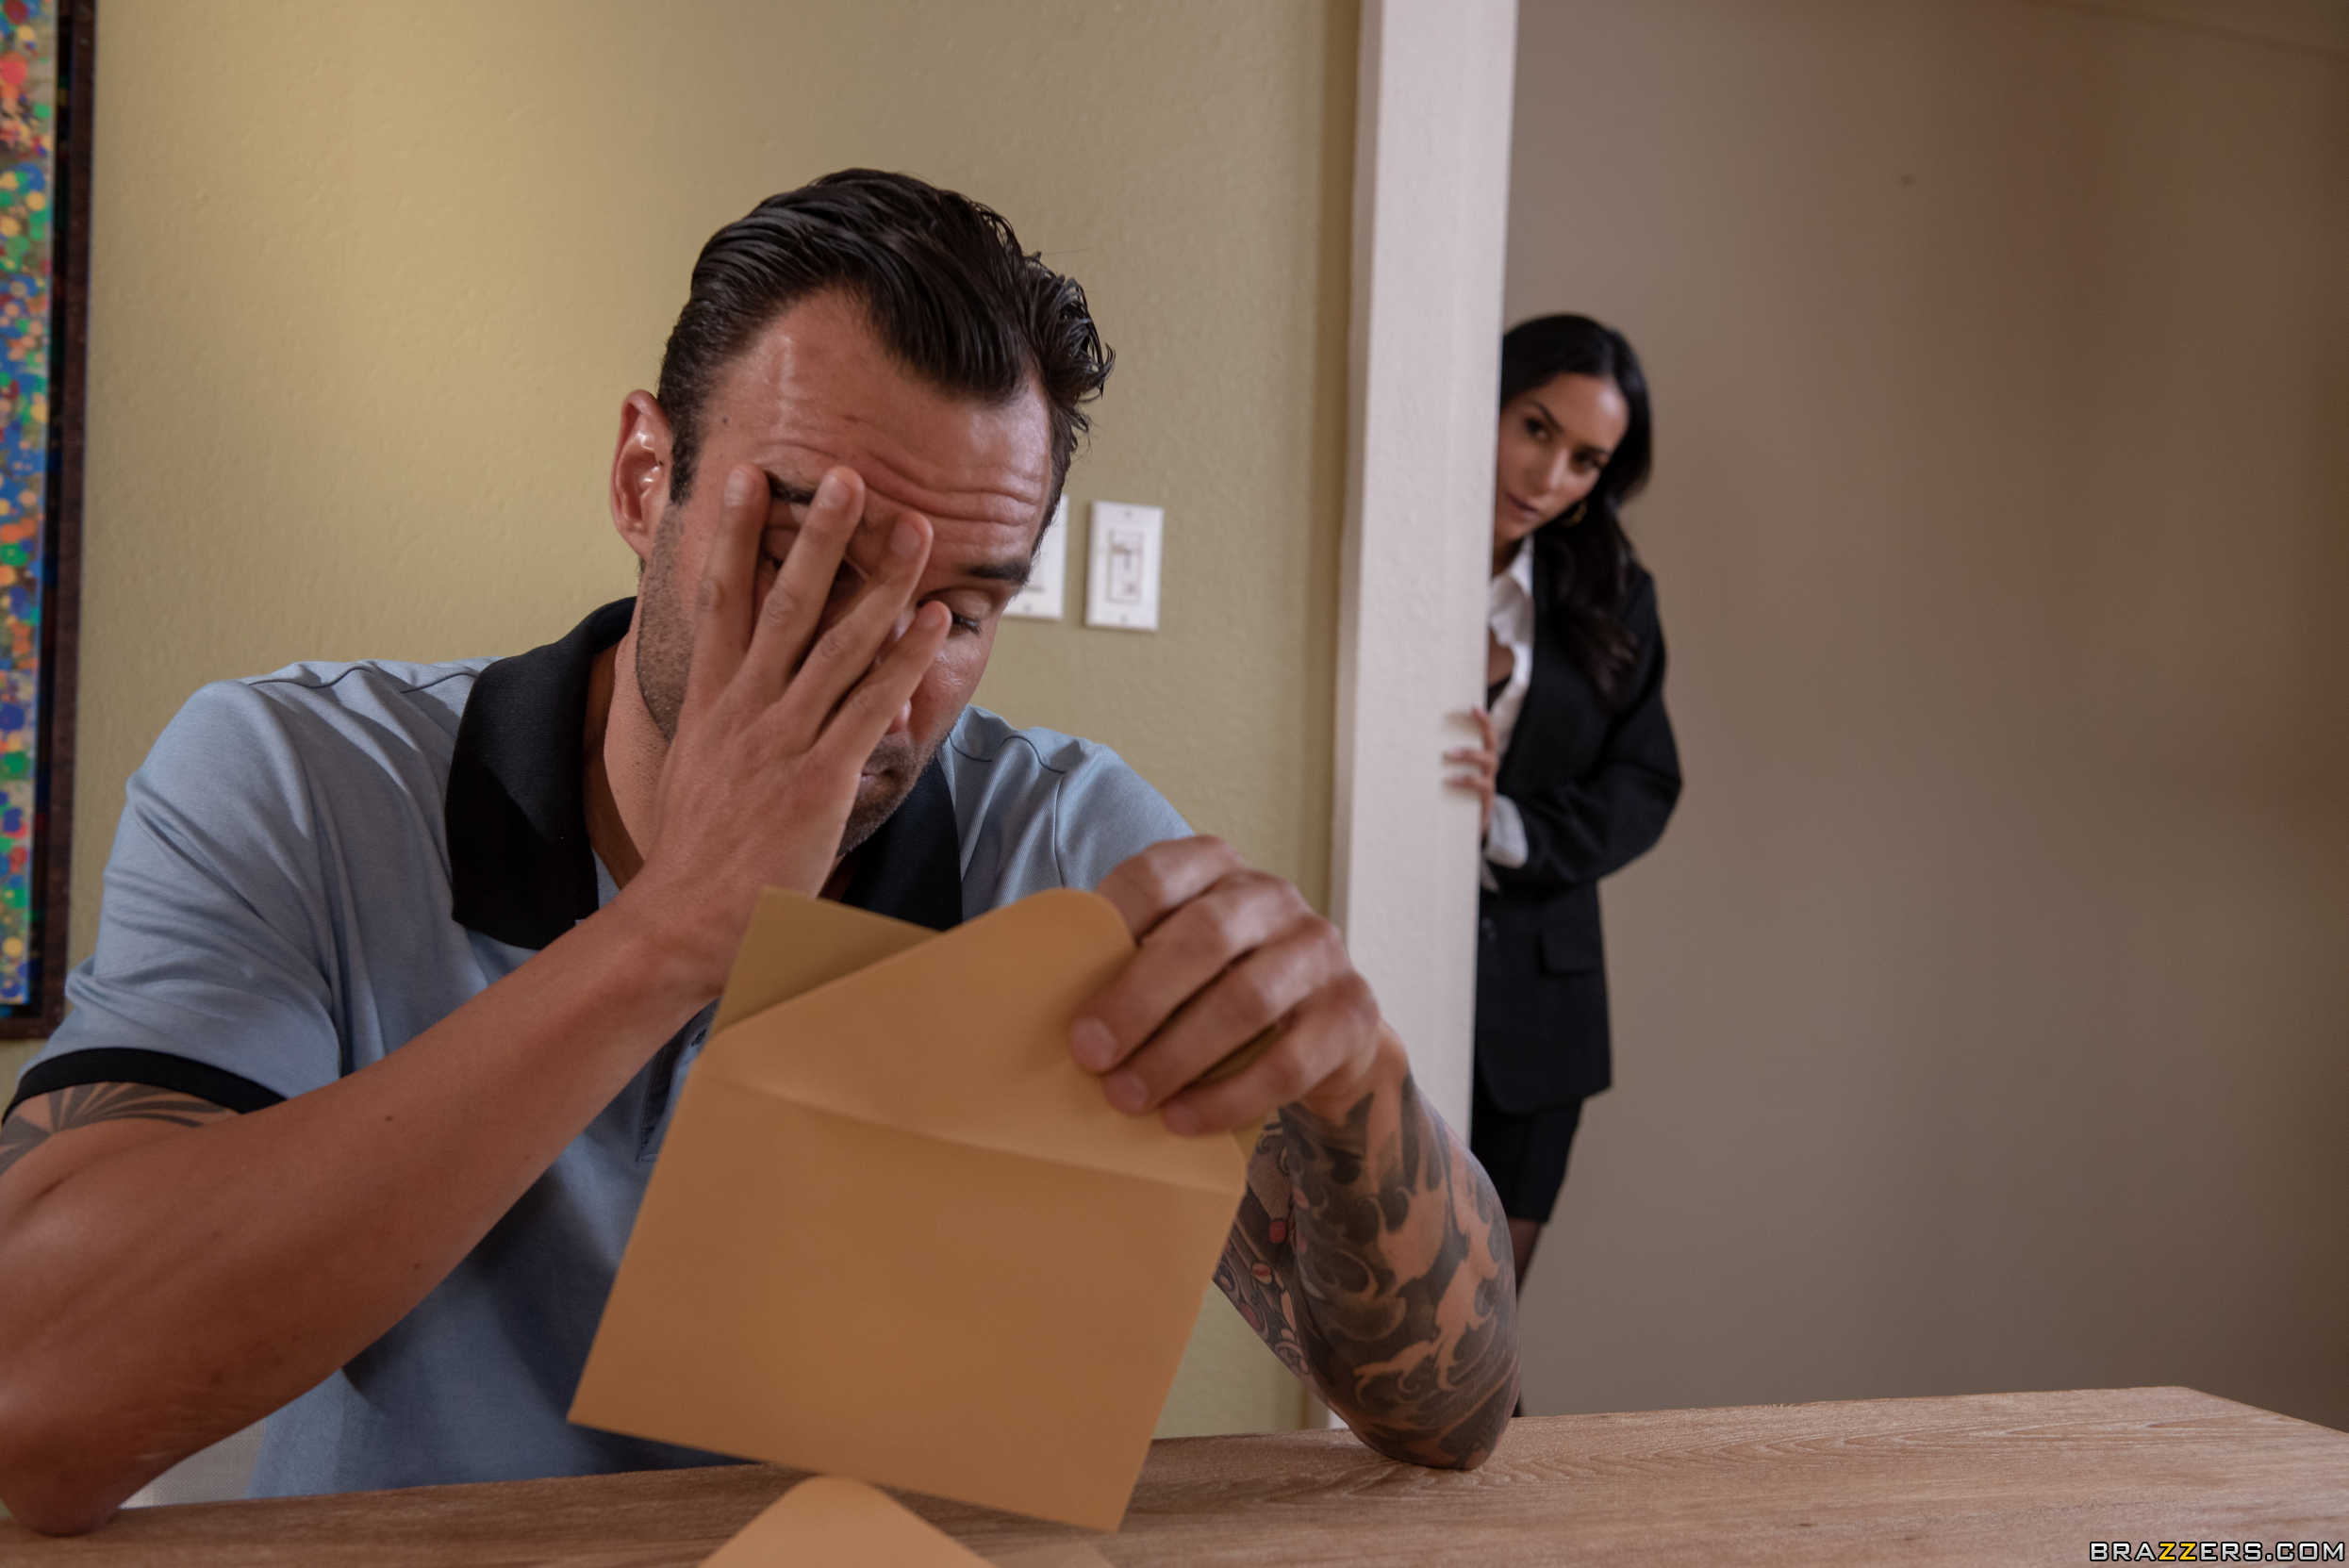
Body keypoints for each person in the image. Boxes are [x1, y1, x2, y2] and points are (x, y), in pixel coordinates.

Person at [0, 170, 1520, 1536]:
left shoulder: (1062, 845)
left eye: (961, 611)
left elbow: (1449, 1416)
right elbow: (36, 1409)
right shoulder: (296, 777)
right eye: (807, 559)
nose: (884, 679)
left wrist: (1354, 1084)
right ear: (640, 477)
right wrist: (672, 934)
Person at [1444, 314, 1681, 1296]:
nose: (1548, 477)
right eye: (1535, 428)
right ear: (1490, 398)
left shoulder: (1613, 592)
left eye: (1585, 460)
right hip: (1378, 963)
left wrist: (1505, 825)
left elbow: (1646, 781)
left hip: (1541, 1016)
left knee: (1479, 1327)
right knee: (1367, 1319)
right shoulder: (1394, 541)